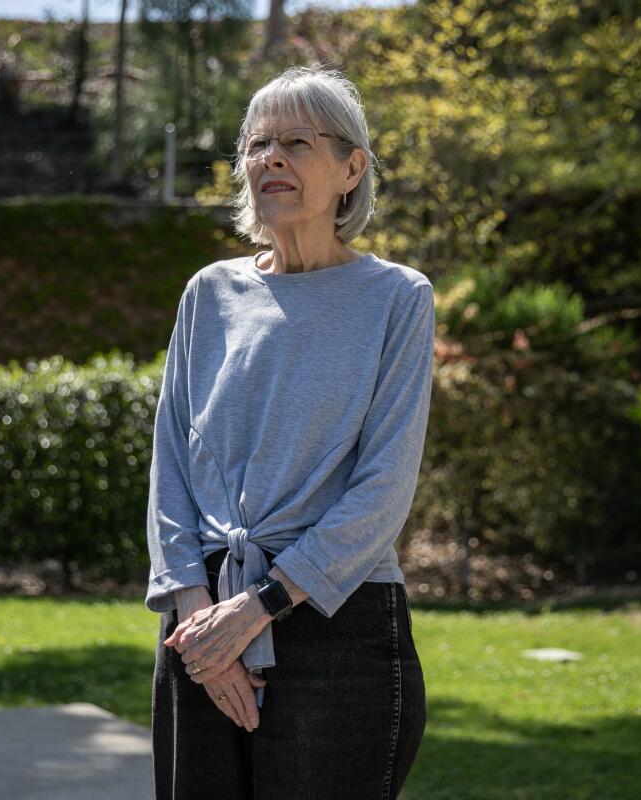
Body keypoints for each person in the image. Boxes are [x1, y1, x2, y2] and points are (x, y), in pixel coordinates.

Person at [145, 64, 434, 800]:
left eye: (297, 142)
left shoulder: (396, 299)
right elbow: (172, 463)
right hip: (200, 624)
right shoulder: (208, 293)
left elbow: (384, 487)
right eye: (257, 144)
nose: (270, 158)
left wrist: (259, 608)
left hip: (336, 627)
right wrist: (199, 620)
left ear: (351, 169)